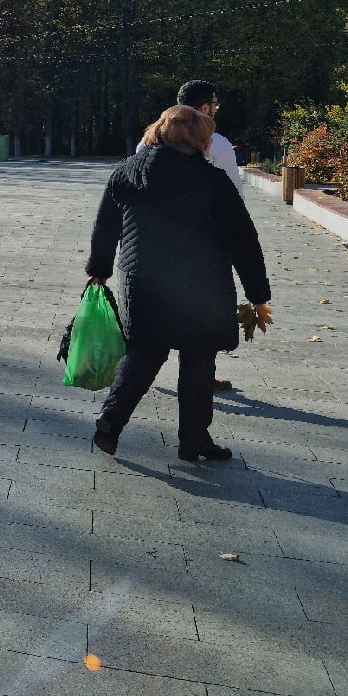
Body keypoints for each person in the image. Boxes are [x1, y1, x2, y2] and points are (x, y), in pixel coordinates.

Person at [87, 105, 271, 463]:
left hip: (143, 280)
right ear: (200, 139)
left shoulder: (126, 173)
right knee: (199, 361)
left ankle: (110, 420)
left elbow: (104, 227)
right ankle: (194, 440)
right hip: (200, 284)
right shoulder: (213, 181)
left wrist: (99, 269)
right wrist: (258, 293)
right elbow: (243, 240)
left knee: (143, 352)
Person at [136, 79, 242, 390]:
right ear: (206, 107)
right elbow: (233, 200)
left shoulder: (147, 142)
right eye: (215, 104)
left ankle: (137, 374)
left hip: (154, 242)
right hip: (202, 246)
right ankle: (200, 379)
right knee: (200, 315)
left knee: (155, 311)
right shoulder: (218, 145)